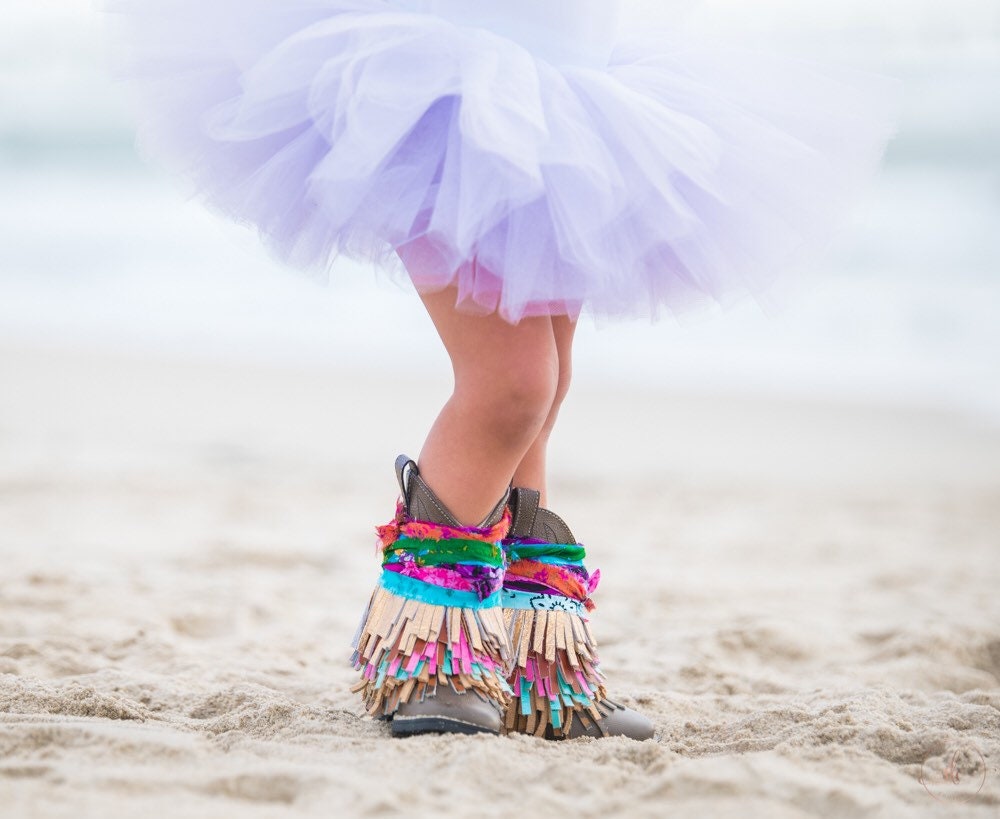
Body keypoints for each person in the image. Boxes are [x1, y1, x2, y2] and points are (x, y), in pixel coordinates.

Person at [107, 0, 897, 739]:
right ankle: (421, 652)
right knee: (509, 383)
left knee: (545, 385)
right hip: (443, 79)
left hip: (578, 78)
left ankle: (528, 660)